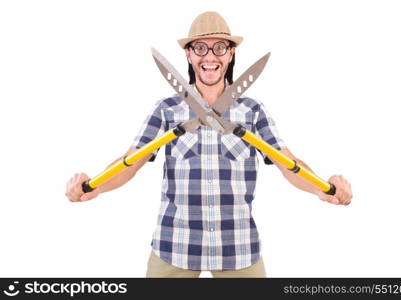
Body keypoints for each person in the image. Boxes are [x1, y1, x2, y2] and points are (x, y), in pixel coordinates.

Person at [65, 11, 352, 278]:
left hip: (239, 248)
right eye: (200, 48)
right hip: (174, 246)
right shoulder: (166, 110)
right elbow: (129, 163)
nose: (210, 56)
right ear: (189, 55)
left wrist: (323, 187)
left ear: (231, 53)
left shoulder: (253, 111)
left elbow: (289, 165)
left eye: (219, 47)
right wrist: (95, 185)